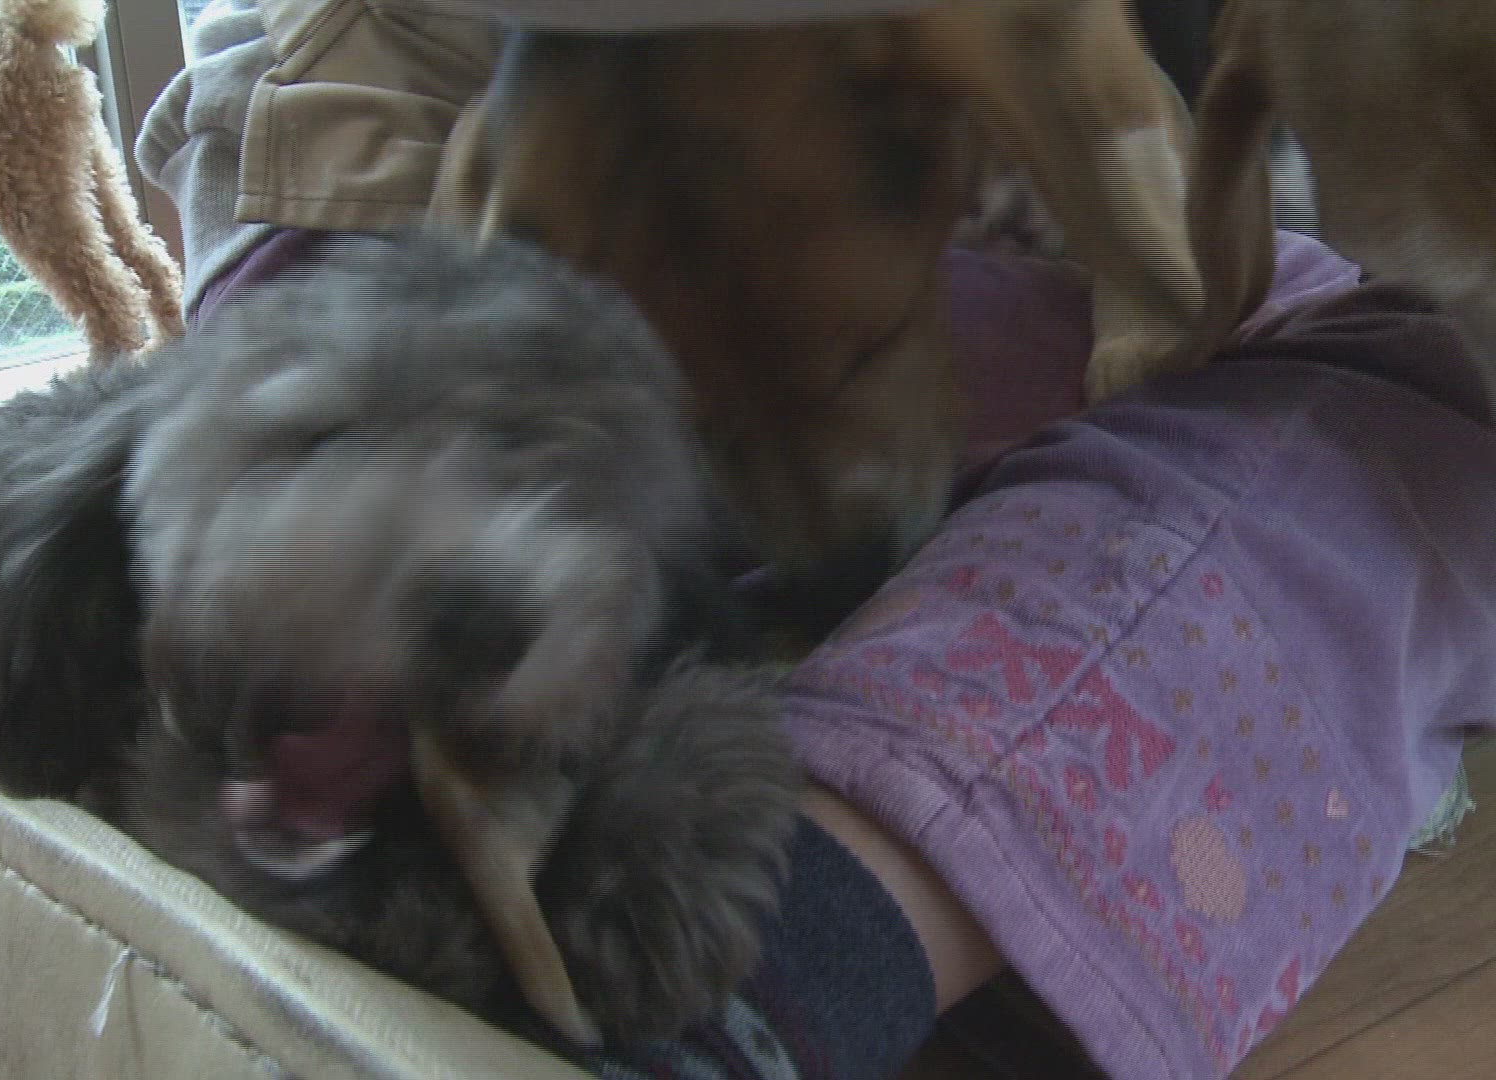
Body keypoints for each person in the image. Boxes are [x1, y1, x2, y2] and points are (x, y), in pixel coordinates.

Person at [135, 4, 1496, 1077]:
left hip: (428, 262)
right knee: (1406, 428)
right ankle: (772, 971)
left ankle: (701, 870)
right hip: (408, 190)